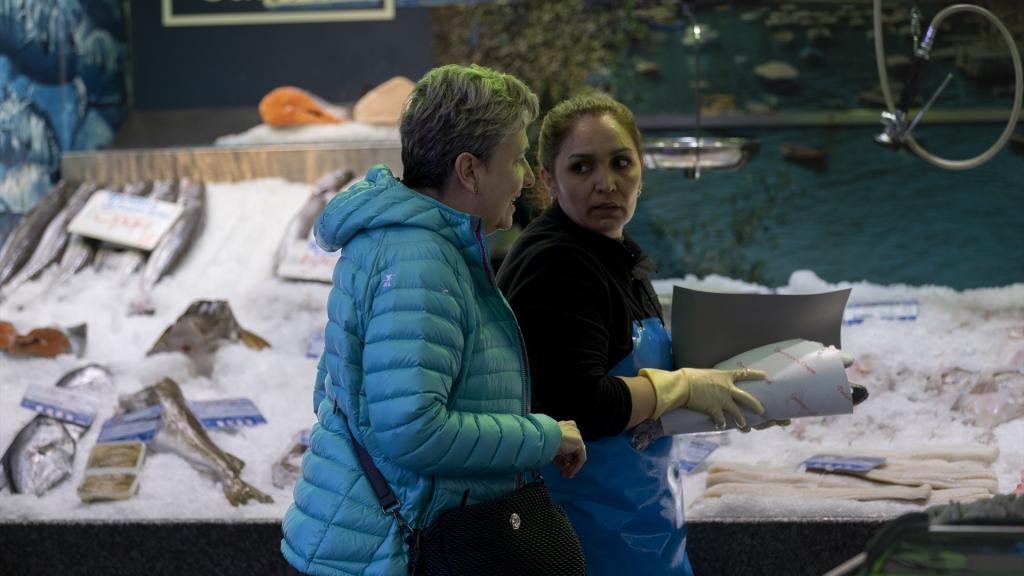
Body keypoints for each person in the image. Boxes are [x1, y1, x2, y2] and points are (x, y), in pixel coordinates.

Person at [281, 64, 587, 576]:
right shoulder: (421, 260)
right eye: (517, 159)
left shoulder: (400, 241)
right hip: (386, 555)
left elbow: (339, 389)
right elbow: (413, 430)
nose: (529, 176)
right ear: (469, 170)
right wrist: (544, 436)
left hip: (359, 543)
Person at [496, 93, 770, 575]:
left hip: (641, 525)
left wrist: (759, 394)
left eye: (621, 162)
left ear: (642, 169)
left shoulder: (614, 255)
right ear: (548, 179)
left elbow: (638, 393)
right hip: (584, 536)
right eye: (582, 168)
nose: (607, 183)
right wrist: (682, 386)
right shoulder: (557, 263)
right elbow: (582, 406)